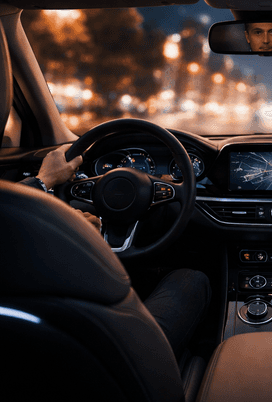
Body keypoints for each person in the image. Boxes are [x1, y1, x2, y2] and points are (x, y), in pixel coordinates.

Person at [20, 145, 211, 358]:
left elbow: (13, 224)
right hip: (111, 357)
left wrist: (44, 179)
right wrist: (85, 239)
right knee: (192, 279)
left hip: (40, 338)